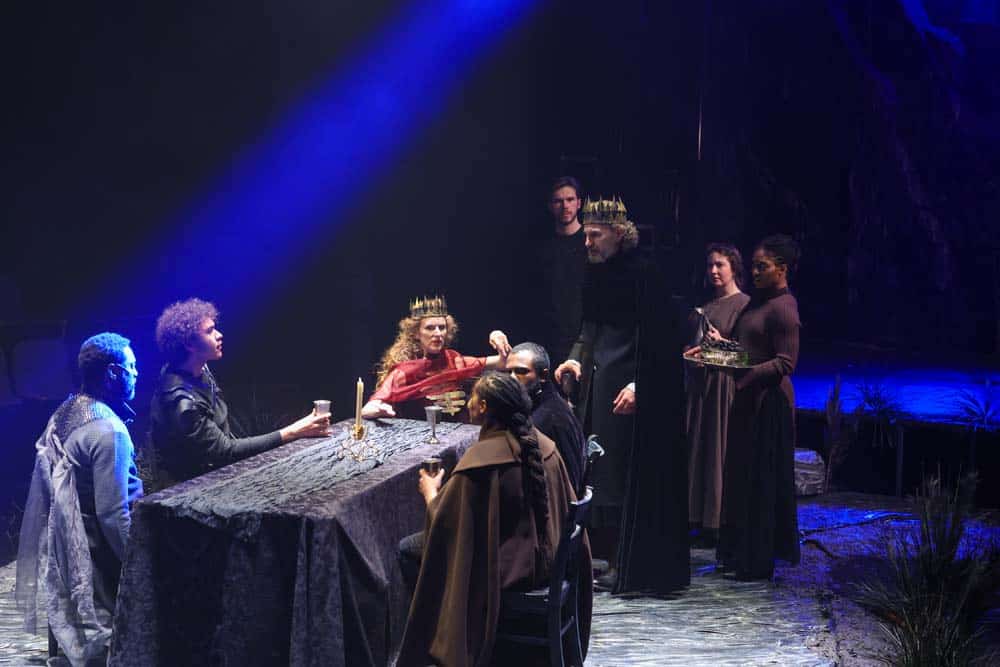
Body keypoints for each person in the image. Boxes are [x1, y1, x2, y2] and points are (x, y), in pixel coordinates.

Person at [396, 371, 591, 667]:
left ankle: (441, 638)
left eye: (473, 398)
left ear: (484, 407)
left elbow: (446, 525)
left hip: (509, 570)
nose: (469, 404)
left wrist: (430, 491)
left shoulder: (482, 462)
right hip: (549, 559)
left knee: (409, 550)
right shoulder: (546, 447)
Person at [553, 196, 689, 594]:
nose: (587, 242)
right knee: (599, 470)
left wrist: (640, 385)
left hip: (629, 391)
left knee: (622, 476)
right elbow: (589, 331)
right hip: (598, 389)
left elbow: (662, 343)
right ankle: (602, 554)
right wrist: (574, 359)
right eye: (587, 235)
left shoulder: (645, 275)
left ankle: (623, 562)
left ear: (618, 234)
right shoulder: (596, 275)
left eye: (595, 235)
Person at [16, 333, 144, 665]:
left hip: (65, 548)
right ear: (113, 373)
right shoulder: (109, 431)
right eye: (131, 367)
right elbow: (114, 515)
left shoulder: (64, 411)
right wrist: (139, 565)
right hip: (98, 554)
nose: (136, 373)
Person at [690, 234, 801, 580]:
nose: (754, 272)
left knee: (759, 482)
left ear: (782, 269)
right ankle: (738, 555)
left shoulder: (784, 308)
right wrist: (714, 353)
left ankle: (756, 560)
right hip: (748, 400)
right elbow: (746, 351)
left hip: (768, 405)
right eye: (753, 266)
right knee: (740, 479)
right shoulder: (757, 304)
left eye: (762, 266)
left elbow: (785, 363)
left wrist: (746, 375)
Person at [150, 298, 331, 486]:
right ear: (190, 344)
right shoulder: (182, 402)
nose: (219, 335)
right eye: (209, 331)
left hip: (214, 474)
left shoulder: (197, 369)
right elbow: (224, 452)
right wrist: (294, 431)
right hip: (189, 491)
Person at [685, 244, 750, 546]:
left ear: (734, 267)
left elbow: (747, 356)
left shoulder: (744, 306)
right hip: (702, 388)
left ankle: (717, 521)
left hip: (723, 389)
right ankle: (696, 517)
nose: (713, 270)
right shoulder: (706, 308)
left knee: (717, 450)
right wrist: (692, 355)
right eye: (710, 265)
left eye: (720, 265)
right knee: (699, 450)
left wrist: (720, 344)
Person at [361, 296, 511, 421]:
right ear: (416, 333)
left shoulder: (456, 361)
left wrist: (496, 335)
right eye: (430, 328)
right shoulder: (405, 373)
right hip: (420, 440)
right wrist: (377, 409)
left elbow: (505, 362)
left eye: (442, 327)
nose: (438, 333)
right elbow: (369, 407)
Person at [505, 341, 587, 494]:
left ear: (543, 375)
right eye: (508, 372)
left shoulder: (547, 419)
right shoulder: (551, 404)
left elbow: (567, 487)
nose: (512, 378)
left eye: (521, 371)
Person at [538, 176, 588, 365]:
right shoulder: (543, 248)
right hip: (550, 338)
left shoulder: (590, 243)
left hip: (584, 336)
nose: (565, 206)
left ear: (579, 203)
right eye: (558, 201)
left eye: (570, 199)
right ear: (551, 206)